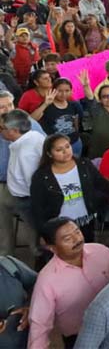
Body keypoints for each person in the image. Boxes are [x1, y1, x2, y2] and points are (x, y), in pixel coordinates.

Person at [28, 217, 109, 349]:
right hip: (79, 337)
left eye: (77, 232)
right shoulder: (47, 280)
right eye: (67, 239)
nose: (77, 239)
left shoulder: (101, 251)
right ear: (52, 248)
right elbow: (40, 324)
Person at [3, 108, 45, 255]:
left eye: (2, 128)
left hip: (26, 198)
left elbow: (33, 184)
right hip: (16, 191)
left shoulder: (25, 154)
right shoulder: (33, 135)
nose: (1, 131)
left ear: (13, 131)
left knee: (33, 227)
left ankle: (37, 252)